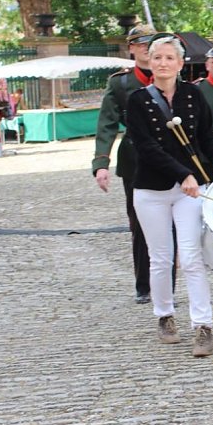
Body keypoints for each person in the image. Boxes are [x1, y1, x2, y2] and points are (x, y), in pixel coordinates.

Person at [126, 34, 213, 357]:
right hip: (150, 189)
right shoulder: (137, 100)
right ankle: (164, 315)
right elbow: (146, 148)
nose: (162, 63)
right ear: (149, 61)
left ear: (180, 63)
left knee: (191, 257)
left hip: (191, 190)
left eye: (169, 58)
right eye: (157, 57)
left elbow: (206, 137)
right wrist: (182, 174)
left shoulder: (193, 95)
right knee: (160, 258)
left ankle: (203, 326)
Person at [92, 24, 161, 305]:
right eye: (140, 43)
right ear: (131, 48)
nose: (146, 48)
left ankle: (165, 284)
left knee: (170, 224)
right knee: (141, 224)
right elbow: (107, 123)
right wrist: (101, 163)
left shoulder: (171, 76)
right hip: (135, 160)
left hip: (171, 158)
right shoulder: (120, 83)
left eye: (152, 43)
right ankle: (144, 284)